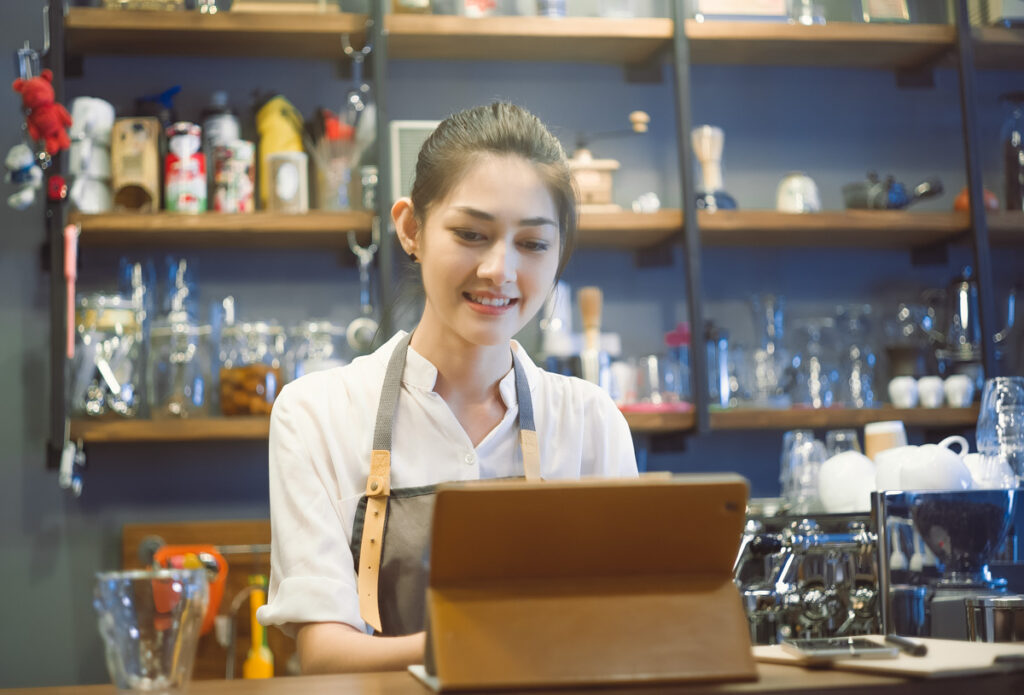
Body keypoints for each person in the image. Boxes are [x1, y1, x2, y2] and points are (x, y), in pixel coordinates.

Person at [257, 102, 638, 674]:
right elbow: (326, 653)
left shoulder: (592, 421)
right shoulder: (316, 414)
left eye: (533, 244)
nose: (499, 270)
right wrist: (497, 640)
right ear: (411, 229)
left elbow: (629, 629)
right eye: (471, 233)